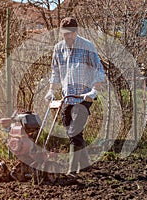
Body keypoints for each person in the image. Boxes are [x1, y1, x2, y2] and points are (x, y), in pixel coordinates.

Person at [45, 17, 105, 176]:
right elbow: (55, 71)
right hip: (67, 97)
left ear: (76, 31)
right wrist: (51, 90)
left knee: (74, 131)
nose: (68, 37)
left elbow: (98, 70)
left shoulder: (87, 47)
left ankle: (71, 169)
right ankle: (85, 164)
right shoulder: (58, 49)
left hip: (84, 96)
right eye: (64, 34)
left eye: (70, 33)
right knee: (70, 129)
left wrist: (94, 91)